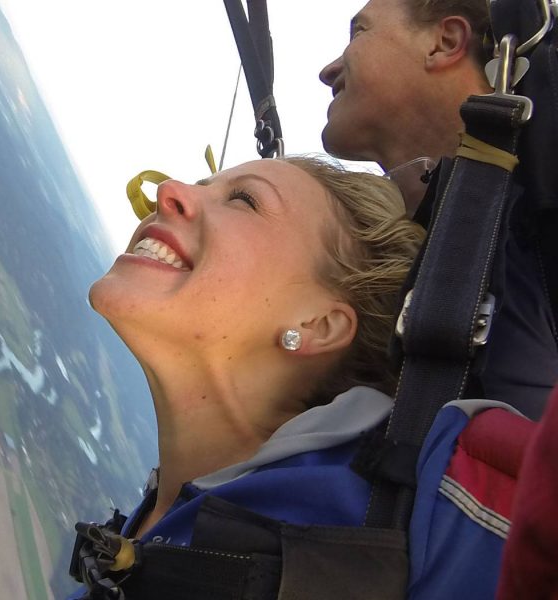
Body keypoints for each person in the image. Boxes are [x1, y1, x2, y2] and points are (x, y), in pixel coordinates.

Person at [76, 156, 422, 576]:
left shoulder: (312, 557)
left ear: (318, 325)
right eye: (205, 184)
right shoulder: (183, 524)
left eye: (244, 200)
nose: (169, 191)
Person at [317, 0, 558, 418]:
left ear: (444, 42)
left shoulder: (538, 210)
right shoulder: (371, 277)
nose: (327, 71)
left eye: (359, 32)